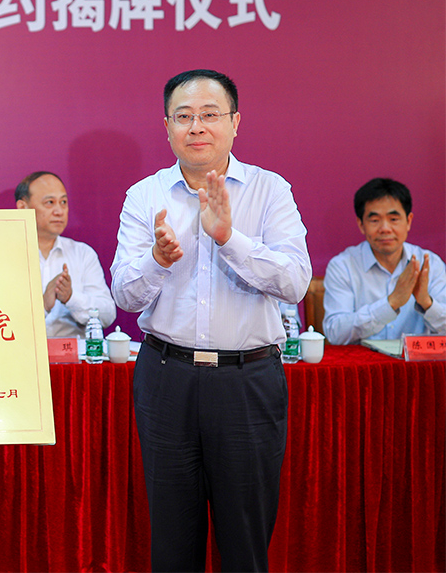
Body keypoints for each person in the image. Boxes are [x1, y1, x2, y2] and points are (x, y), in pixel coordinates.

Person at [110, 69, 310, 572]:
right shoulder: (145, 196)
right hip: (166, 378)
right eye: (183, 116)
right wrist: (158, 260)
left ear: (235, 122)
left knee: (245, 543)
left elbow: (294, 283)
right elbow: (125, 296)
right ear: (167, 127)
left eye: (209, 114)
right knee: (172, 542)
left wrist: (228, 238)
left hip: (247, 381)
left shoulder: (269, 190)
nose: (196, 126)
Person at [323, 178, 446, 344]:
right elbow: (335, 333)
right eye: (375, 220)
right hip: (363, 360)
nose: (385, 229)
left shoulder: (430, 264)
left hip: (416, 360)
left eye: (393, 219)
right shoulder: (343, 266)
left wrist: (426, 303)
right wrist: (391, 303)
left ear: (408, 221)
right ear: (361, 224)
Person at [15, 171, 115, 339]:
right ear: (23, 207)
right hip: (23, 352)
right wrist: (42, 306)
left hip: (74, 354)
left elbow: (108, 314)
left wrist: (71, 297)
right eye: (50, 202)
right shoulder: (5, 256)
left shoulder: (82, 254)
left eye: (63, 202)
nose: (59, 211)